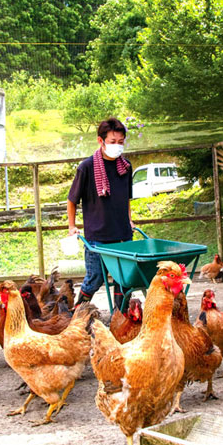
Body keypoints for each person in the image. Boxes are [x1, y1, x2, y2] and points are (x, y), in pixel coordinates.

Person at [67, 117, 134, 308]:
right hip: (97, 236)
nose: (117, 146)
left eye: (121, 142)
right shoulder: (86, 168)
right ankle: (77, 314)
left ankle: (120, 319)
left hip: (122, 235)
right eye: (112, 142)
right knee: (95, 278)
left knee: (124, 280)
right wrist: (72, 227)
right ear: (100, 141)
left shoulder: (126, 167)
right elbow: (72, 201)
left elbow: (126, 198)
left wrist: (129, 220)